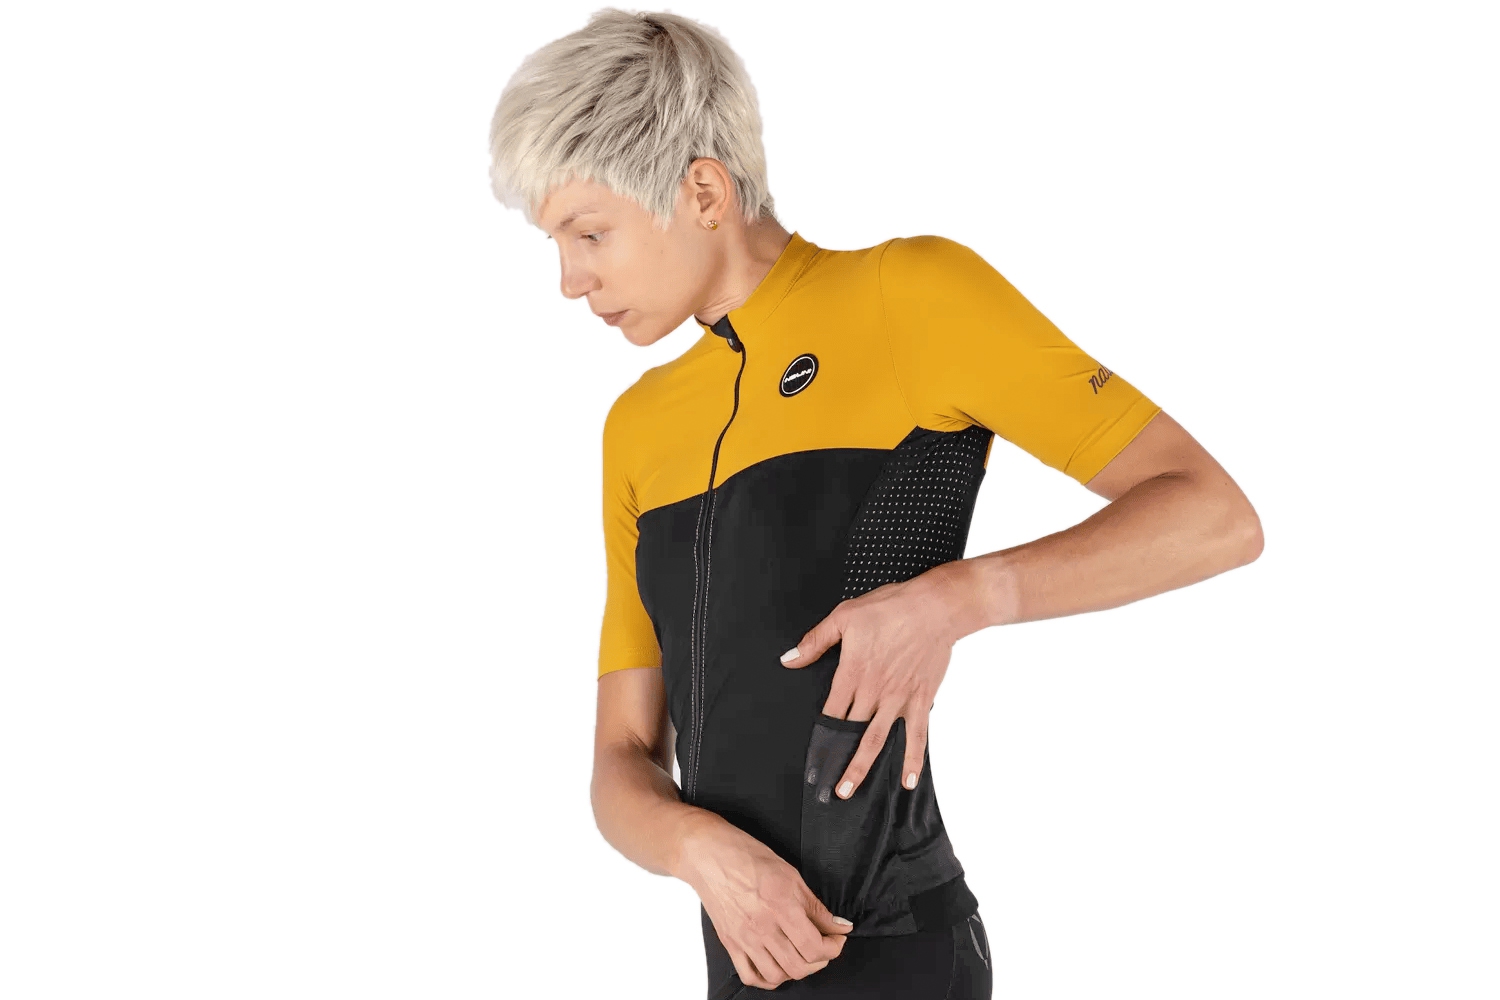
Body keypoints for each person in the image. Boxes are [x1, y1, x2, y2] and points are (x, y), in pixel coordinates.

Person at [488, 10, 1263, 998]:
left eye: (590, 233)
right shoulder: (636, 428)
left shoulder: (909, 297)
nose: (569, 280)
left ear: (704, 192)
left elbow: (1213, 515)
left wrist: (960, 598)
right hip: (745, 958)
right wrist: (697, 851)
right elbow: (620, 757)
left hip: (899, 951)